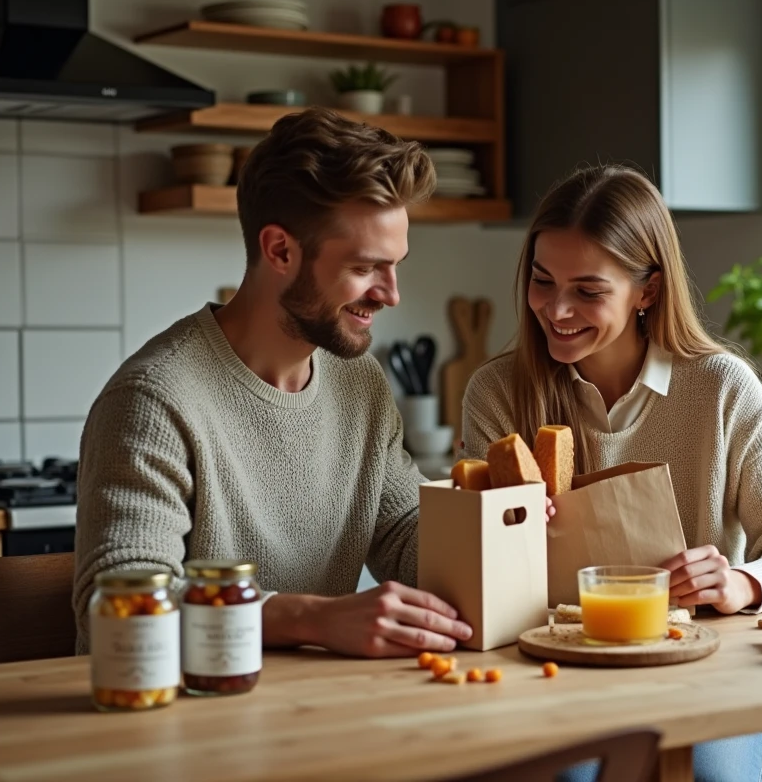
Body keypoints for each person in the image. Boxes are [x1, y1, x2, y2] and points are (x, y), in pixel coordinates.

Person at [460, 165, 762, 782]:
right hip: (552, 675)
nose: (556, 309)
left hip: (703, 673)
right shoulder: (498, 392)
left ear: (648, 290)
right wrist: (502, 532)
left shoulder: (720, 389)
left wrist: (741, 583)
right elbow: (474, 578)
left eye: (588, 291)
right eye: (542, 280)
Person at [71, 107, 473, 657]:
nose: (391, 294)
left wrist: (499, 530)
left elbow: (403, 531)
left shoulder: (358, 382)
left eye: (395, 264)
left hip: (312, 701)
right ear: (280, 250)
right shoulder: (155, 399)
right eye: (364, 268)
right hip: (178, 705)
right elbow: (122, 604)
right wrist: (313, 619)